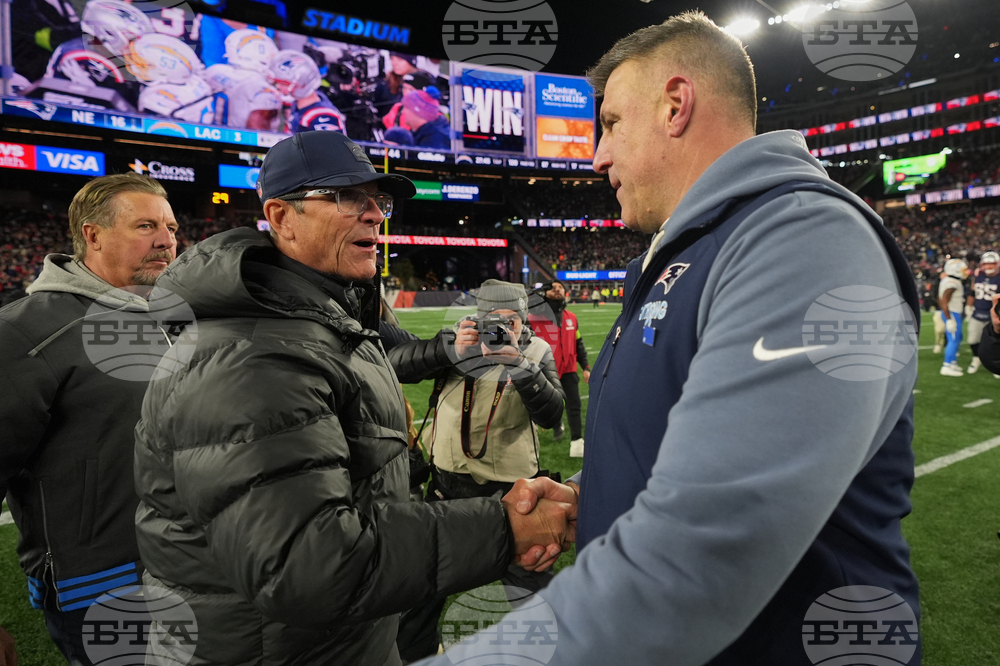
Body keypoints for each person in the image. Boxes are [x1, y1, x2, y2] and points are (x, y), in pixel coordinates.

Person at [418, 11, 921, 665]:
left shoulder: (804, 240)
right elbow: (670, 446)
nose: (598, 155)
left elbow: (700, 558)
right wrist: (587, 492)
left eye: (611, 123)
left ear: (676, 105)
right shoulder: (680, 257)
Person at [131, 130, 575, 666]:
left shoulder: (325, 315)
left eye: (378, 201)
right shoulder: (251, 356)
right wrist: (505, 526)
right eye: (347, 197)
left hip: (334, 640)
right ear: (282, 215)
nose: (374, 215)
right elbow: (306, 563)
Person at [0, 173, 178, 665]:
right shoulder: (27, 331)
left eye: (171, 227)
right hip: (101, 588)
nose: (165, 240)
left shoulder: (170, 319)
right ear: (93, 235)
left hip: (186, 568)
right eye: (146, 226)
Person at [389, 279, 565, 661]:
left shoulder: (536, 351)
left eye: (511, 322)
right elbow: (395, 366)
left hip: (514, 496)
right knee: (419, 594)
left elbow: (552, 414)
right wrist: (447, 349)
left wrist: (520, 367)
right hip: (446, 489)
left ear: (523, 322)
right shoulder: (458, 342)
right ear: (477, 318)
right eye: (493, 320)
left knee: (536, 598)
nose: (502, 329)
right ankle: (413, 657)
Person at [529, 280, 590, 457]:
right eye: (553, 288)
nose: (557, 290)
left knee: (574, 405)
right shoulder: (533, 318)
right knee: (550, 405)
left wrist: (585, 366)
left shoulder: (571, 317)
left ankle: (577, 443)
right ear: (545, 292)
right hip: (545, 370)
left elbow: (578, 343)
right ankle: (557, 427)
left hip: (569, 369)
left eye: (560, 288)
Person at [268, 49, 347, 134]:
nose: (278, 86)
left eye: (284, 83)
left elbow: (329, 146)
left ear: (303, 85)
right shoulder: (301, 104)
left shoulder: (322, 117)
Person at [965, 251, 999, 374]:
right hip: (978, 312)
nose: (989, 267)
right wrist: (968, 307)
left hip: (994, 314)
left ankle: (997, 365)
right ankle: (976, 359)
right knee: (973, 340)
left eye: (992, 264)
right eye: (986, 264)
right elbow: (972, 292)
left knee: (996, 342)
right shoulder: (978, 275)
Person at [939, 257, 969, 377]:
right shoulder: (952, 283)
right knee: (953, 339)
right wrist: (949, 319)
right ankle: (946, 366)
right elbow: (944, 301)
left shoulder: (948, 280)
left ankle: (952, 362)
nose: (965, 272)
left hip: (952, 313)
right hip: (952, 313)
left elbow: (940, 299)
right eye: (962, 269)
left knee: (958, 337)